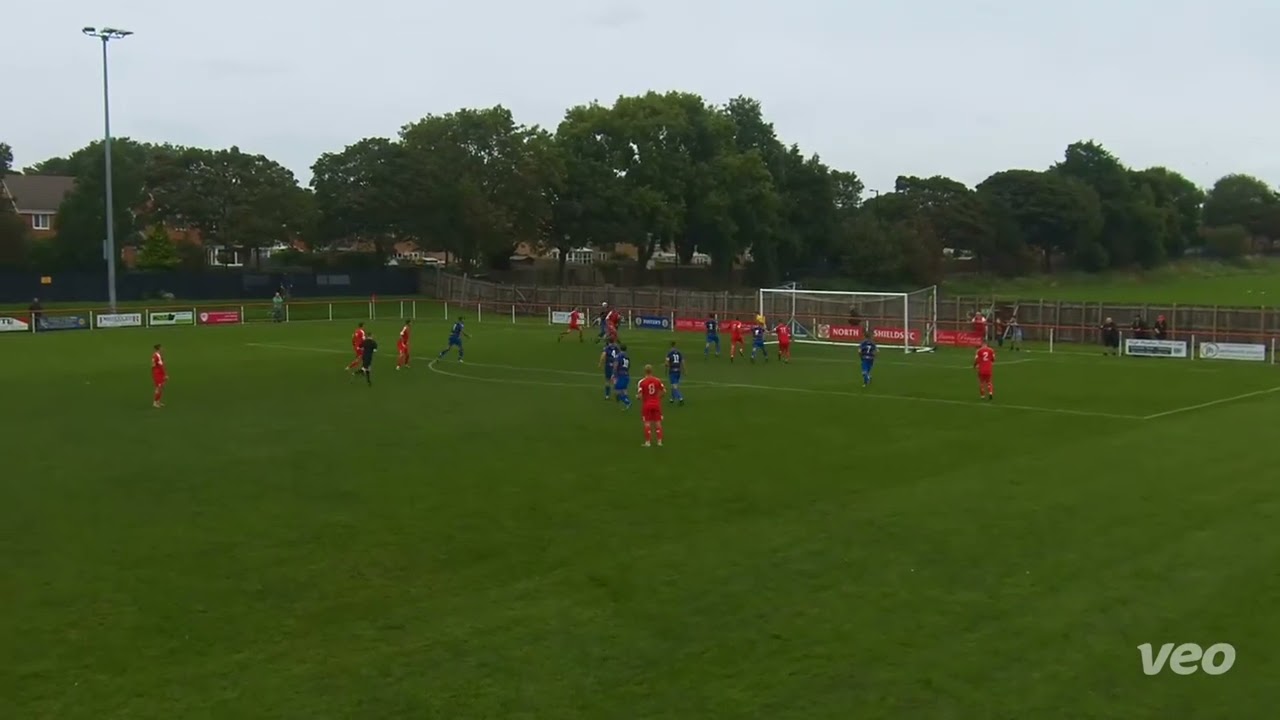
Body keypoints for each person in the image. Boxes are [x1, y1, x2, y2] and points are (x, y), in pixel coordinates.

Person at [638, 365, 666, 447]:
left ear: (645, 371)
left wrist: (639, 397)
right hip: (656, 404)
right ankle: (659, 441)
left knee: (647, 423)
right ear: (652, 371)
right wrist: (658, 397)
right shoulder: (657, 380)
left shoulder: (642, 382)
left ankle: (648, 442)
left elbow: (640, 396)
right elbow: (664, 391)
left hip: (647, 404)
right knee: (658, 423)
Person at [665, 341, 686, 405]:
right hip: (678, 371)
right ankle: (672, 398)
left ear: (671, 346)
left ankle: (680, 398)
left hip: (672, 371)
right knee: (674, 385)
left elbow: (666, 363)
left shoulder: (669, 353)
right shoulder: (679, 353)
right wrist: (684, 370)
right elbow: (682, 361)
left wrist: (667, 367)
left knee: (674, 386)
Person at [613, 343, 633, 410]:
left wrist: (614, 374)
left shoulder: (618, 356)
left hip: (620, 375)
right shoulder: (627, 356)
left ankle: (627, 402)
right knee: (624, 389)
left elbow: (616, 365)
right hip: (626, 374)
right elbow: (628, 366)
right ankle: (625, 404)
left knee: (617, 390)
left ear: (619, 348)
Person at [151, 343, 167, 408]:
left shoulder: (158, 355)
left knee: (161, 387)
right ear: (159, 348)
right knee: (158, 388)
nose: (162, 349)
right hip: (157, 374)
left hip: (159, 373)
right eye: (161, 347)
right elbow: (156, 365)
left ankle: (158, 401)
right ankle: (155, 402)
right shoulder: (157, 356)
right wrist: (165, 374)